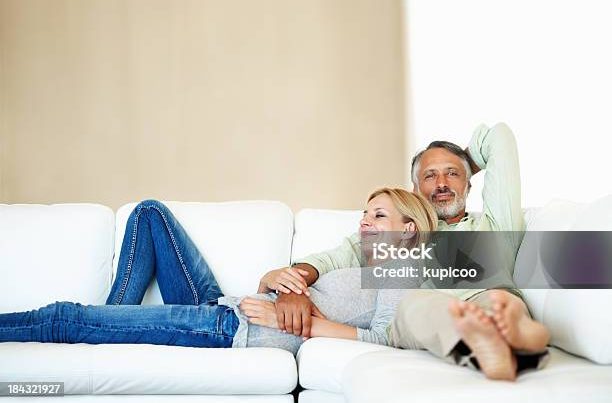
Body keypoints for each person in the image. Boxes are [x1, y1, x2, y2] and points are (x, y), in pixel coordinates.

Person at [0, 189, 436, 355]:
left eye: (378, 216)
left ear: (409, 229)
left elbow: (385, 339)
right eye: (364, 213)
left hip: (229, 327)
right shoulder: (355, 262)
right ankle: (113, 323)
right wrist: (272, 282)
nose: (364, 221)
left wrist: (302, 323)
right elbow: (296, 278)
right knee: (150, 212)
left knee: (65, 317)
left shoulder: (402, 269)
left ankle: (107, 325)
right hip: (223, 306)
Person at [389, 123, 549, 380]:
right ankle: (510, 341)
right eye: (430, 176)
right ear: (415, 191)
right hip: (433, 310)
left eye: (452, 174)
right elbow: (348, 252)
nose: (442, 184)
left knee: (501, 303)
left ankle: (504, 339)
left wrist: (467, 163)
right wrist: (304, 274)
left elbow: (500, 137)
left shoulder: (496, 223)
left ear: (469, 184)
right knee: (411, 305)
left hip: (489, 297)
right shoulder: (406, 231)